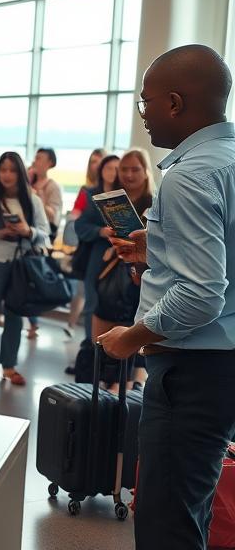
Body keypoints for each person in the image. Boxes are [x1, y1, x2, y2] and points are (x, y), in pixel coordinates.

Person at [97, 45, 235, 550]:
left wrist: (130, 339)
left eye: (146, 102)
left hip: (191, 371)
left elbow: (202, 294)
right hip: (221, 367)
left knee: (165, 523)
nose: (144, 114)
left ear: (174, 103)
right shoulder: (228, 159)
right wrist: (155, 249)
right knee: (191, 509)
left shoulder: (189, 175)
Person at [0, 151, 51, 387]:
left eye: (12, 170)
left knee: (15, 315)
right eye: (3, 169)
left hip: (20, 263)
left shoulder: (32, 199)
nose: (7, 175)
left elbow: (45, 233)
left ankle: (9, 366)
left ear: (21, 173)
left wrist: (27, 231)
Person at [91, 149, 154, 392]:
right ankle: (107, 382)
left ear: (146, 172)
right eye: (124, 169)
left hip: (141, 275)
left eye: (135, 169)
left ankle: (129, 383)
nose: (128, 174)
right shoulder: (112, 200)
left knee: (134, 326)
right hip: (112, 269)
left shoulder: (154, 203)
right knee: (102, 331)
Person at [73, 154, 121, 343]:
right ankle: (91, 349)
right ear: (101, 171)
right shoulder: (91, 194)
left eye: (116, 169)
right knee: (92, 303)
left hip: (120, 257)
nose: (112, 172)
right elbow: (80, 225)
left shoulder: (125, 194)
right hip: (96, 256)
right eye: (108, 168)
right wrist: (100, 231)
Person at [26, 146, 63, 339]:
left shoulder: (52, 187)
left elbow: (54, 216)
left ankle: (34, 321)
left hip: (41, 239)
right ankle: (31, 320)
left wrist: (36, 195)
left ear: (50, 163)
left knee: (34, 277)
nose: (35, 161)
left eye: (40, 158)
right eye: (35, 157)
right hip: (25, 236)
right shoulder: (28, 179)